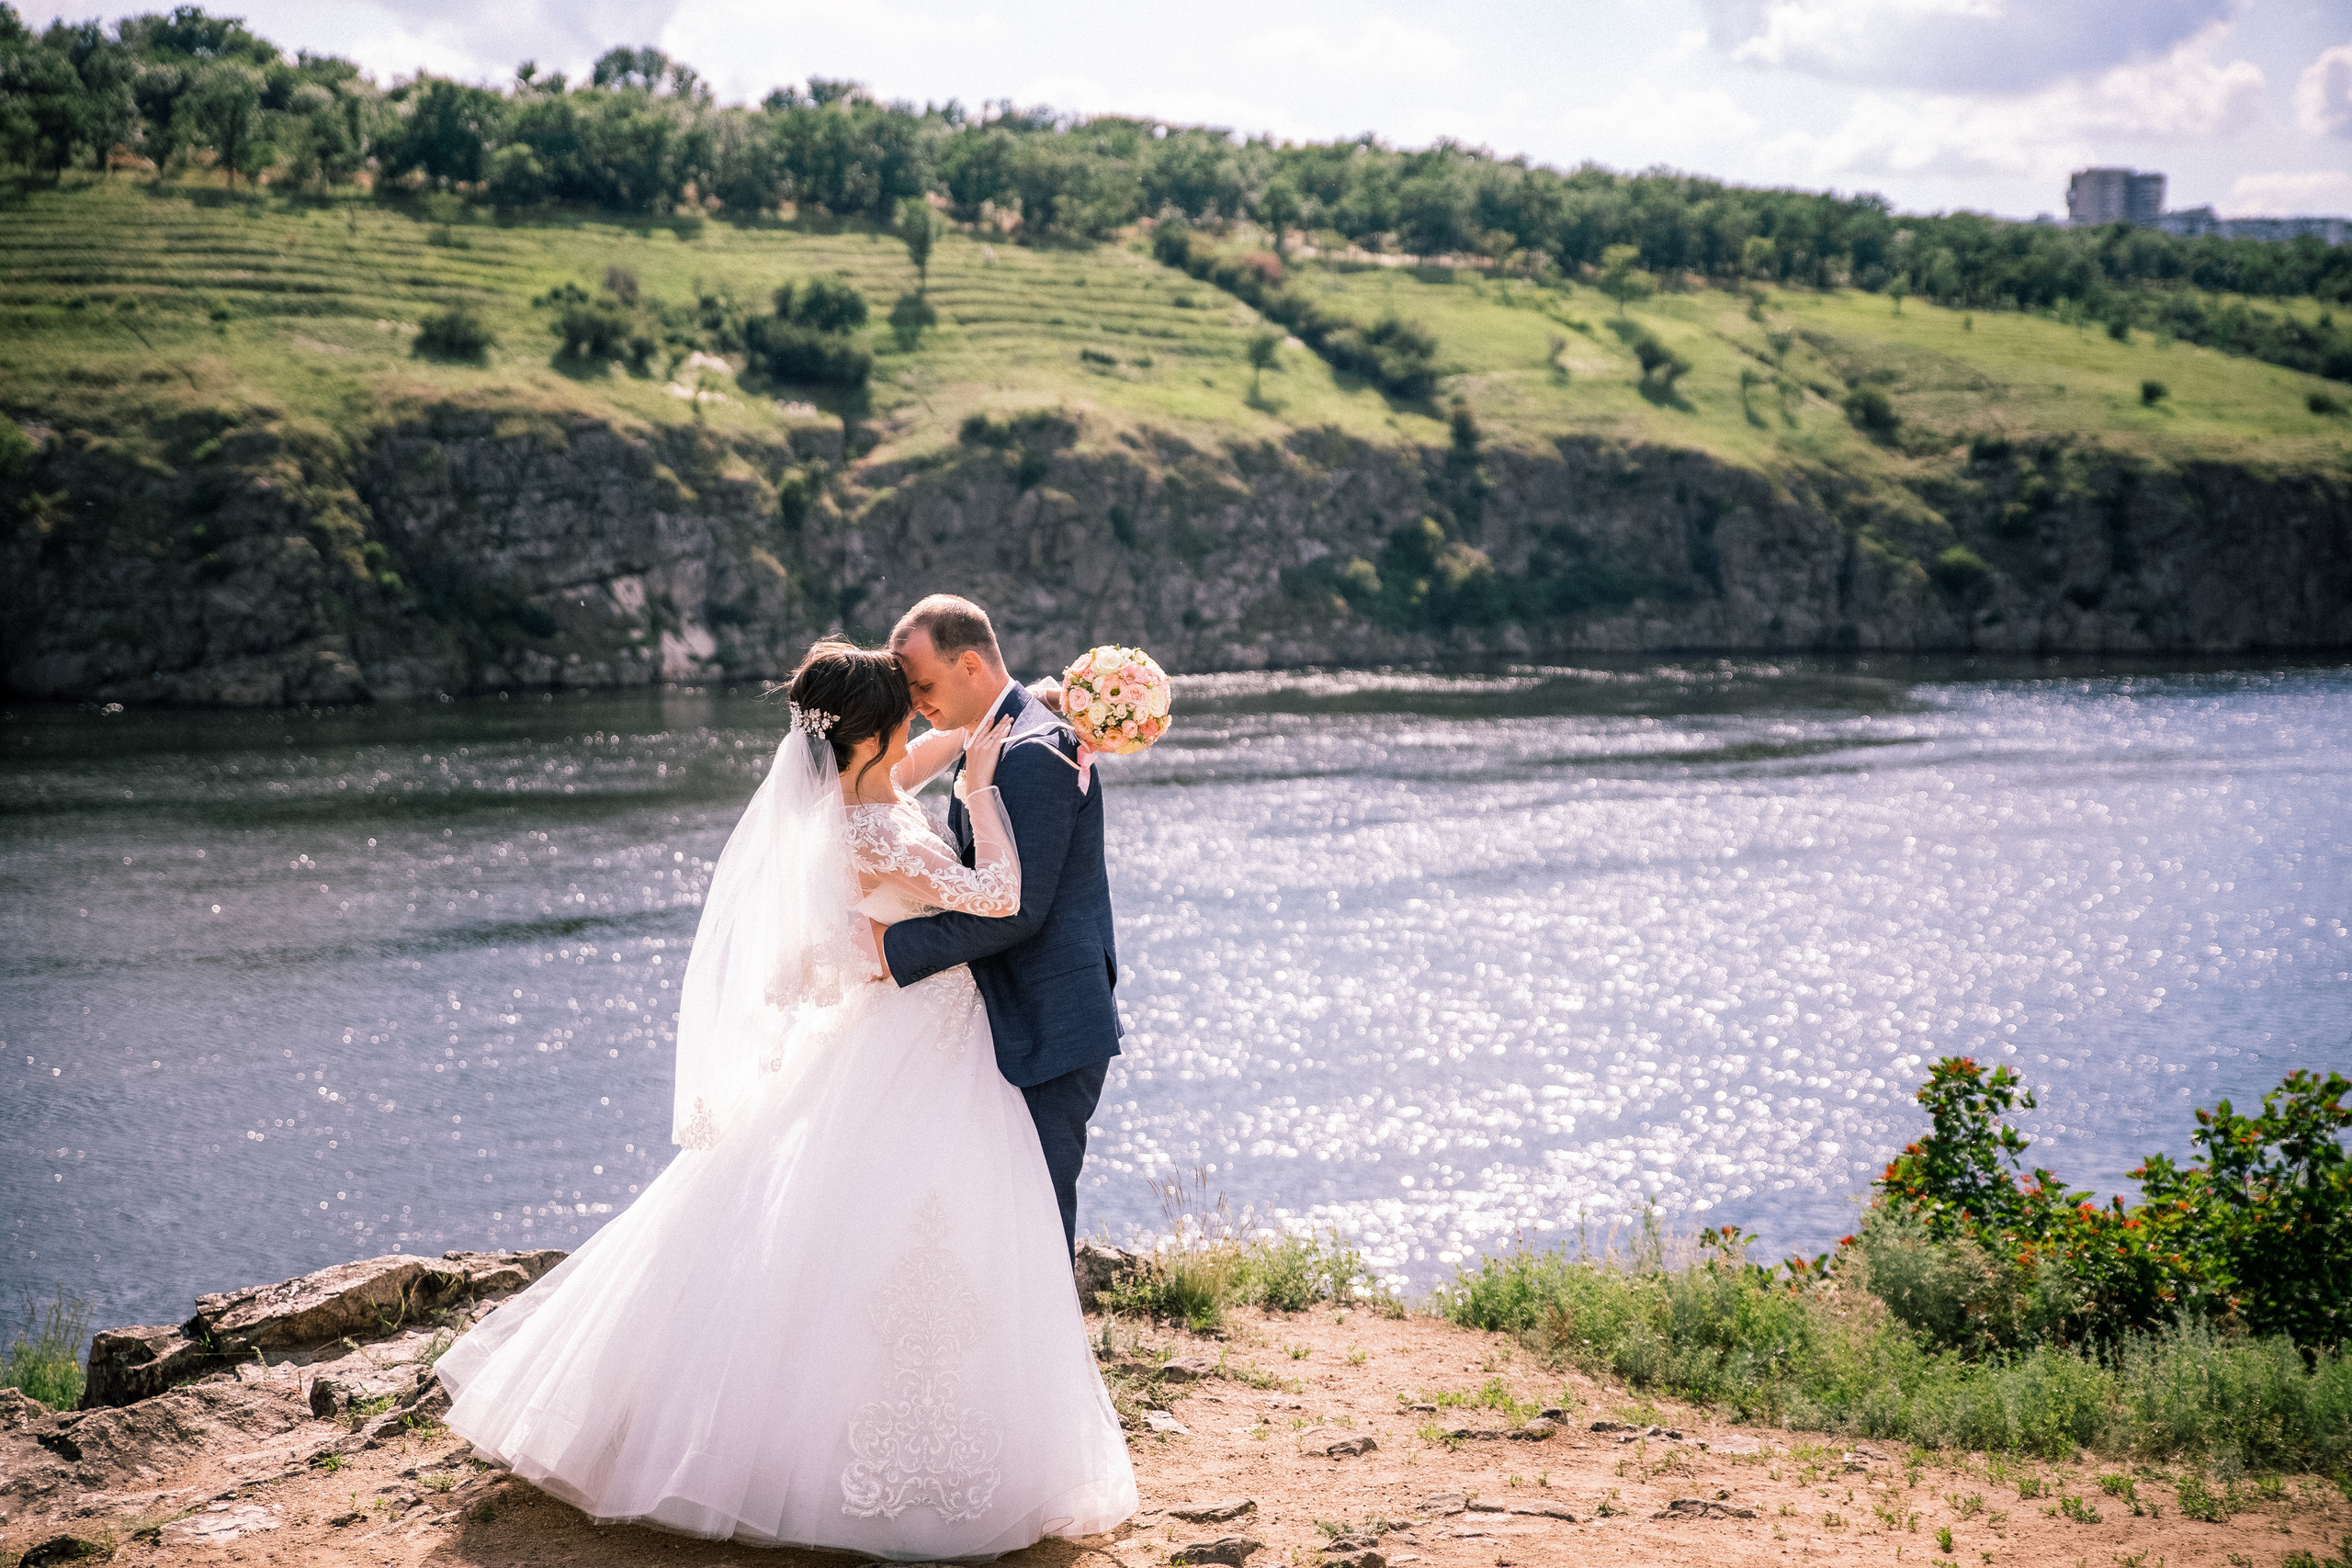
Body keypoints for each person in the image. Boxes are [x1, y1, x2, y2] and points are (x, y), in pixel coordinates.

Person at [433, 638, 1136, 1559]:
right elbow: (1000, 896)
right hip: (926, 1040)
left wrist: (991, 720)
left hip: (895, 1034)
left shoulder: (850, 801)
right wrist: (977, 789)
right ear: (874, 731)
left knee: (844, 1229)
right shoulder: (877, 826)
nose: (920, 724)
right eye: (907, 714)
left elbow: (913, 764)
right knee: (922, 1229)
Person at [879, 594, 1122, 1257]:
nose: (916, 702)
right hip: (1019, 1013)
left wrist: (890, 948)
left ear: (968, 665)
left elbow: (1016, 909)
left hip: (1052, 1020)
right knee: (1000, 1210)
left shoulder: (1033, 751)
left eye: (923, 685)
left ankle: (1051, 1360)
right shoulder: (1000, 735)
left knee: (1036, 1216)